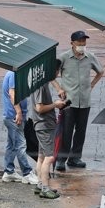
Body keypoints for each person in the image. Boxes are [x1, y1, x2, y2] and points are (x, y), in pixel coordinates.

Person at [56, 30, 104, 172]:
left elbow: (100, 71)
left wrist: (92, 85)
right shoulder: (63, 57)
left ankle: (75, 157)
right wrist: (59, 89)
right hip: (69, 102)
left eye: (84, 41)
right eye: (79, 42)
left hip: (85, 101)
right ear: (72, 43)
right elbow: (51, 75)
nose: (82, 44)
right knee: (66, 131)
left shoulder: (90, 57)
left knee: (81, 131)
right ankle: (61, 159)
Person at [28, 60, 68, 199]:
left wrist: (58, 91)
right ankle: (45, 188)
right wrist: (55, 105)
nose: (57, 74)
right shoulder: (40, 85)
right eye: (57, 71)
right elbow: (39, 108)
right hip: (43, 125)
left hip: (44, 124)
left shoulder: (39, 81)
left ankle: (40, 185)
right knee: (49, 157)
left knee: (42, 156)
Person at [1, 71, 38, 185]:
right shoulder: (14, 74)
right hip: (14, 116)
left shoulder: (12, 73)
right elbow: (12, 94)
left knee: (12, 144)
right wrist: (19, 112)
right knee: (20, 145)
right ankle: (27, 173)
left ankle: (9, 171)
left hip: (12, 115)